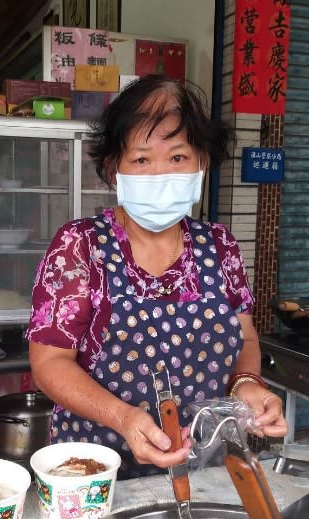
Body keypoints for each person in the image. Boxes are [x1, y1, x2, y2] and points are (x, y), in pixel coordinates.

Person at [27, 75, 287, 478]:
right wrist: (123, 417)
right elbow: (50, 362)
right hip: (96, 470)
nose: (161, 173)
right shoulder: (80, 246)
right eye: (142, 159)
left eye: (178, 157)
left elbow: (246, 337)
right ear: (115, 169)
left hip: (204, 465)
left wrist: (247, 385)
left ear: (203, 161)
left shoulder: (220, 247)